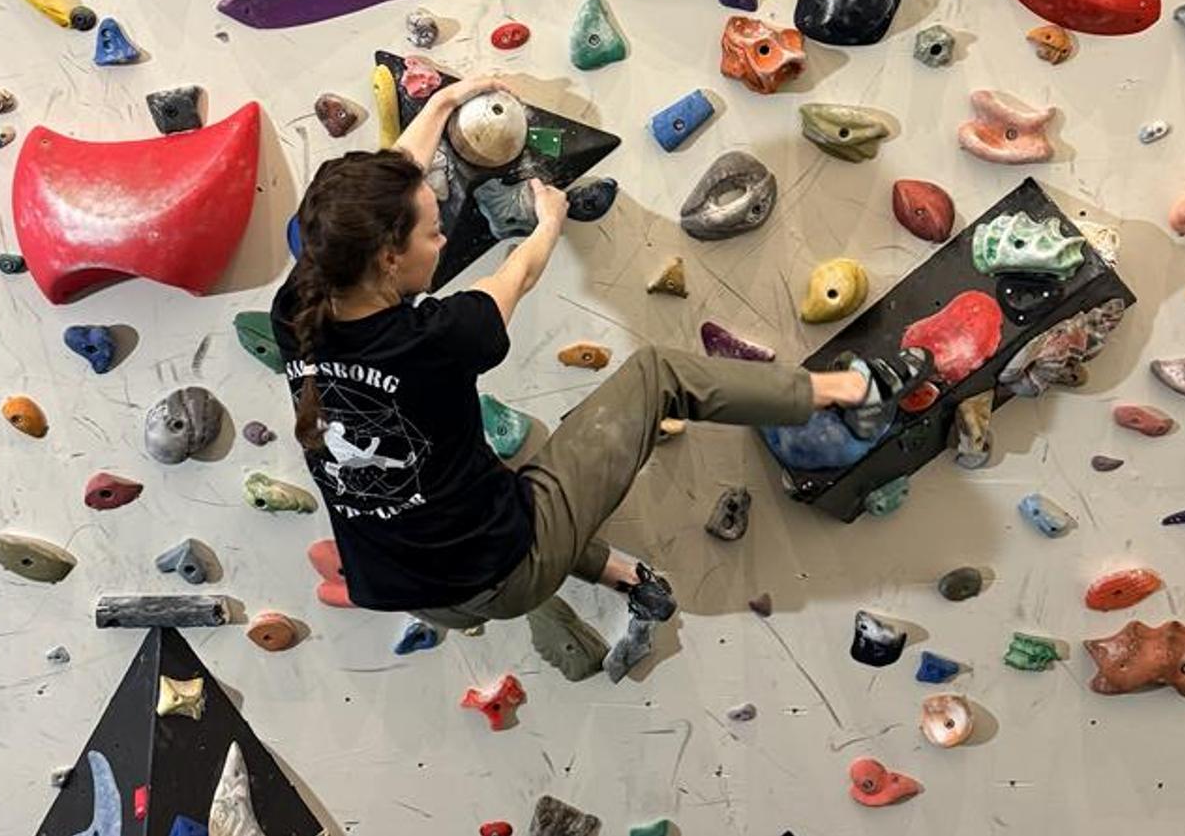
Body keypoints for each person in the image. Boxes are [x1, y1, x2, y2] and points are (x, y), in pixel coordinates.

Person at [271, 75, 933, 679]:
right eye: (435, 234)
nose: (443, 242)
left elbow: (376, 196)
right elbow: (519, 273)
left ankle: (622, 573)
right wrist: (550, 221)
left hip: (398, 584)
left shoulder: (296, 304)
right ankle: (852, 391)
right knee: (659, 374)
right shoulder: (441, 337)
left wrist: (444, 104)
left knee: (465, 469)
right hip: (506, 575)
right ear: (389, 257)